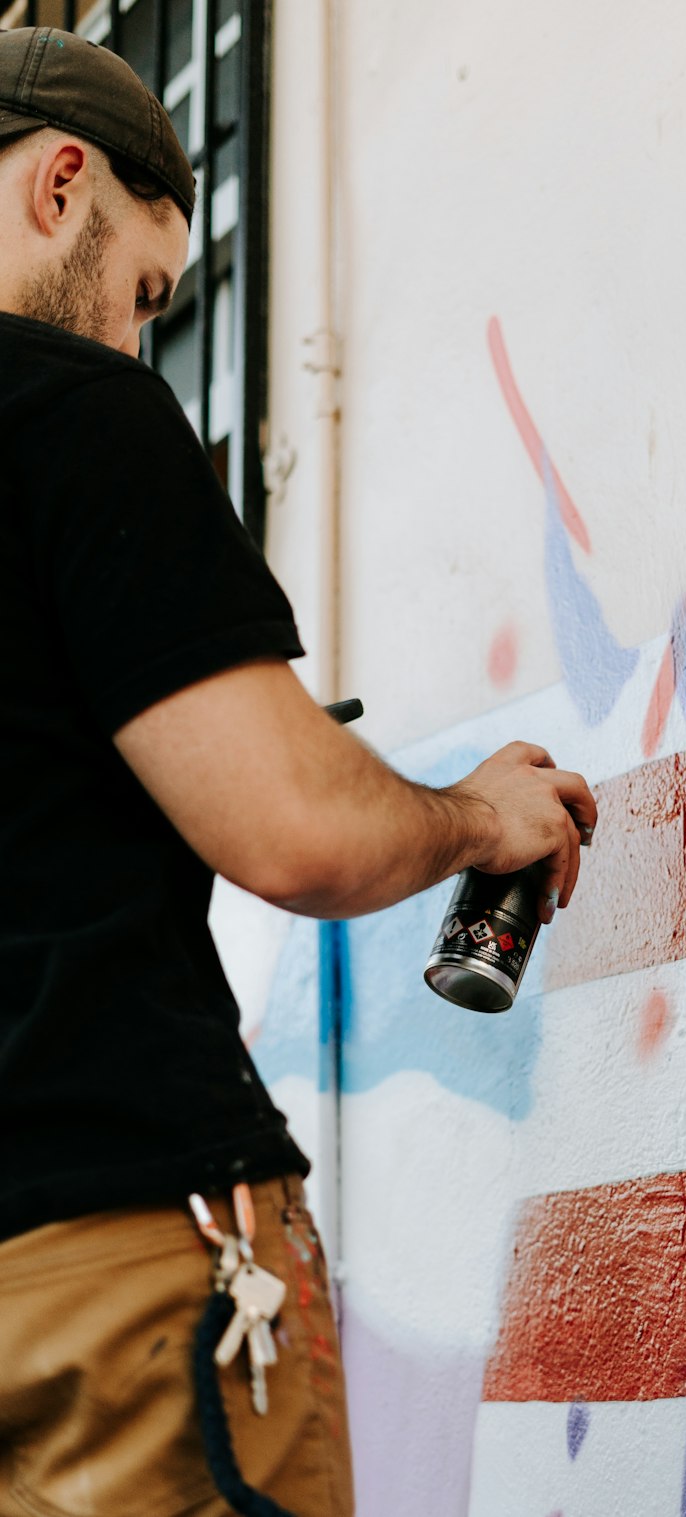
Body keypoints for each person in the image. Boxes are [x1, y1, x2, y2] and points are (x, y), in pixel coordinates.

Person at [0, 26, 597, 1517]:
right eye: (146, 290)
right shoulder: (73, 414)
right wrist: (479, 814)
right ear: (62, 182)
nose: (140, 339)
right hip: (116, 1261)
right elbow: (297, 826)